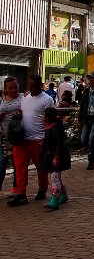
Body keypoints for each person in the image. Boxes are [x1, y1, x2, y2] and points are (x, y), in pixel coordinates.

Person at [8, 75, 55, 207]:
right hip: (22, 139)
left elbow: (51, 121)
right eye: (30, 86)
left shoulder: (47, 100)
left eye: (35, 86)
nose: (32, 89)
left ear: (41, 85)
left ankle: (42, 189)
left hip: (38, 140)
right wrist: (18, 115)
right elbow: (24, 113)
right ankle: (21, 194)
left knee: (41, 167)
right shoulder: (25, 98)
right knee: (20, 168)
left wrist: (46, 139)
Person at [41, 107, 71, 209]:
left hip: (58, 156)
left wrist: (56, 156)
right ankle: (63, 194)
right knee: (56, 176)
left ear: (48, 118)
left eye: (44, 116)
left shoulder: (55, 129)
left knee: (54, 177)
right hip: (51, 155)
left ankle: (55, 198)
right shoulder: (49, 127)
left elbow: (58, 144)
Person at [0, 77, 22, 193]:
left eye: (16, 87)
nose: (14, 90)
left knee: (17, 165)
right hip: (3, 138)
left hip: (17, 137)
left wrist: (20, 114)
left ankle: (16, 188)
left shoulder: (23, 98)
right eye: (11, 88)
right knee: (1, 164)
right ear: (5, 89)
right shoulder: (1, 99)